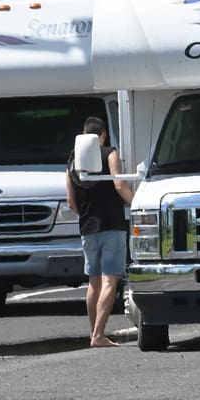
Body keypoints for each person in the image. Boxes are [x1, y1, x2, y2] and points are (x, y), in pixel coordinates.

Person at [66, 117, 134, 348]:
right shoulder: (110, 153)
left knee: (93, 282)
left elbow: (71, 202)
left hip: (87, 228)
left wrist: (86, 214)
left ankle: (93, 332)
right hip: (111, 225)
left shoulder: (72, 161)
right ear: (103, 135)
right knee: (109, 279)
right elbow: (119, 184)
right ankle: (98, 334)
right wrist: (137, 203)